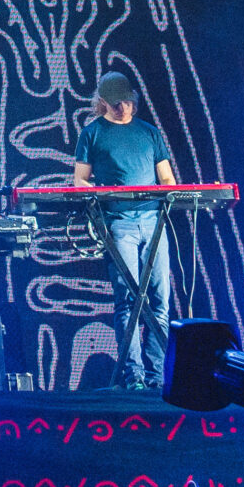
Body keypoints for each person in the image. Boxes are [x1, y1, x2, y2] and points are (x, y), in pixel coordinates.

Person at [70, 72, 178, 390]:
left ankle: (157, 377)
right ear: (103, 102)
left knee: (160, 300)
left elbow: (167, 179)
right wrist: (99, 195)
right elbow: (80, 180)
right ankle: (134, 376)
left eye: (128, 102)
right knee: (128, 300)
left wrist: (168, 193)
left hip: (154, 222)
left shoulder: (149, 133)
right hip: (119, 223)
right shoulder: (92, 134)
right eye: (117, 104)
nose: (124, 108)